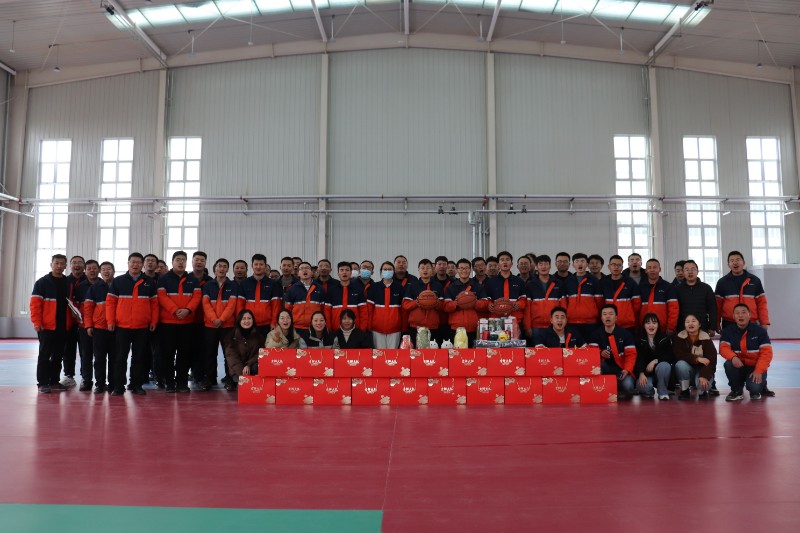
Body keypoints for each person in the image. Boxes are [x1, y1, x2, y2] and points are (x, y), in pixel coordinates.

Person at [714, 251, 774, 397]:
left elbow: (761, 303)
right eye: (732, 260)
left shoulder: (754, 280)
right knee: (732, 356)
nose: (735, 262)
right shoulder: (722, 282)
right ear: (728, 264)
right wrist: (716, 323)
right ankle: (736, 388)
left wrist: (764, 321)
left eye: (738, 260)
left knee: (758, 353)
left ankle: (762, 385)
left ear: (744, 262)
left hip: (752, 322)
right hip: (729, 323)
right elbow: (717, 305)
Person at [106, 253, 159, 396]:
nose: (135, 265)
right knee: (120, 357)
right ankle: (118, 386)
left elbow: (154, 304)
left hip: (142, 327)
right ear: (128, 263)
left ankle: (136, 385)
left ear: (142, 265)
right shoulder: (118, 281)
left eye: (138, 262)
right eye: (133, 262)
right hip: (122, 326)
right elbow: (110, 304)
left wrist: (153, 321)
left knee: (139, 357)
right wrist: (110, 321)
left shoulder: (149, 282)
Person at [157, 251, 202, 393]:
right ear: (172, 262)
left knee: (185, 354)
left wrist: (188, 310)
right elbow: (162, 297)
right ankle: (169, 383)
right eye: (178, 259)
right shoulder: (163, 279)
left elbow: (197, 297)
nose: (181, 262)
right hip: (168, 323)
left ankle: (182, 382)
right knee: (167, 354)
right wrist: (175, 310)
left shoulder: (193, 280)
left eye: (183, 260)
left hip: (187, 323)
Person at [30, 254, 72, 393]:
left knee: (58, 355)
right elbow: (35, 305)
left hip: (63, 325)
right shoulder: (42, 282)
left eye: (62, 263)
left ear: (65, 266)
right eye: (56, 263)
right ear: (51, 264)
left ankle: (54, 381)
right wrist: (37, 322)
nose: (59, 266)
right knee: (45, 355)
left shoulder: (68, 283)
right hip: (46, 326)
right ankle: (43, 383)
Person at [719, 304, 773, 401]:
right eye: (737, 313)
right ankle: (736, 391)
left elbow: (766, 354)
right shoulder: (728, 331)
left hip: (755, 367)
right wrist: (733, 357)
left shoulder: (760, 331)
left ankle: (759, 387)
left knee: (754, 388)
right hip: (739, 366)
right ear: (733, 316)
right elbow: (723, 348)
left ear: (749, 315)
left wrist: (758, 371)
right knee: (728, 364)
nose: (740, 315)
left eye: (743, 312)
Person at [200, 258, 239, 391]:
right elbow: (206, 304)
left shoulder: (233, 286)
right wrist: (214, 319)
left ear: (227, 270)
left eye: (224, 266)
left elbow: (231, 305)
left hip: (227, 326)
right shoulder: (208, 285)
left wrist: (221, 319)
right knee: (209, 353)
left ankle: (230, 379)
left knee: (229, 354)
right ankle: (209, 379)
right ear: (215, 269)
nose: (222, 269)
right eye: (219, 266)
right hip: (210, 326)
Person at [588, 304, 636, 400]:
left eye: (611, 314)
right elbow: (590, 354)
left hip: (621, 370)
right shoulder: (595, 334)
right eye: (605, 314)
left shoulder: (626, 334)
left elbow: (631, 355)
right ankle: (601, 390)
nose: (608, 316)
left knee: (628, 386)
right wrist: (600, 353)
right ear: (601, 318)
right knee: (598, 366)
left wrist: (627, 370)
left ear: (616, 317)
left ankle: (616, 389)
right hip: (605, 369)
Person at [84, 261, 115, 394]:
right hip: (99, 328)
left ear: (113, 271)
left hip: (116, 328)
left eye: (109, 269)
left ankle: (114, 384)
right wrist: (89, 325)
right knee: (99, 358)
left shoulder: (119, 285)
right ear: (100, 272)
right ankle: (100, 384)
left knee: (115, 358)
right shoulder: (94, 288)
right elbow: (88, 308)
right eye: (103, 269)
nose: (106, 271)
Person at [444, 258, 490, 347]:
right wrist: (456, 303)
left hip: (474, 328)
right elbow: (446, 307)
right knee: (457, 353)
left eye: (466, 268)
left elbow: (485, 305)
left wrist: (473, 302)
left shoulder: (478, 286)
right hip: (456, 328)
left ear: (470, 270)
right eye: (461, 268)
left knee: (474, 354)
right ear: (457, 270)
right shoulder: (451, 287)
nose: (464, 271)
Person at [673, 313, 717, 400]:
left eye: (693, 321)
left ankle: (702, 392)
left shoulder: (706, 338)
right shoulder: (680, 337)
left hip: (702, 370)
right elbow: (679, 355)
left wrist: (704, 375)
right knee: (680, 364)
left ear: (699, 324)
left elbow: (712, 360)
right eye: (687, 322)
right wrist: (697, 359)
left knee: (703, 386)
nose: (690, 324)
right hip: (687, 370)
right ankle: (684, 390)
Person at [403, 259, 445, 346]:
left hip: (433, 326)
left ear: (432, 270)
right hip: (415, 326)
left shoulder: (438, 286)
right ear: (418, 270)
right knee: (416, 352)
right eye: (422, 268)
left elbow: (443, 306)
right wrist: (417, 302)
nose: (425, 270)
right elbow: (405, 305)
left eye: (428, 268)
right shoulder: (412, 286)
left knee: (433, 352)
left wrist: (434, 303)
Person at [525, 255, 566, 343]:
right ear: (536, 267)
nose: (543, 266)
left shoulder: (558, 284)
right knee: (537, 350)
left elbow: (563, 306)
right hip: (536, 327)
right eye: (540, 264)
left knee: (554, 350)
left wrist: (563, 323)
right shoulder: (530, 285)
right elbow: (527, 308)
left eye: (546, 264)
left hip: (554, 326)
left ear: (550, 266)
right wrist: (527, 326)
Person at [239, 254, 283, 337]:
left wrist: (274, 322)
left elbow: (276, 306)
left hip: (267, 325)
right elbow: (240, 305)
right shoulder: (244, 283)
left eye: (261, 264)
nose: (258, 267)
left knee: (267, 345)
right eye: (256, 264)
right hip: (248, 324)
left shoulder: (273, 284)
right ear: (252, 266)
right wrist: (241, 321)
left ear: (265, 266)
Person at [634, 313, 675, 400]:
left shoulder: (665, 338)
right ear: (644, 326)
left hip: (660, 372)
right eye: (648, 323)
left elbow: (670, 356)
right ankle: (650, 392)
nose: (651, 325)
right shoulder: (638, 340)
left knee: (665, 365)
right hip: (646, 374)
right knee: (644, 386)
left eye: (654, 323)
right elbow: (638, 358)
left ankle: (663, 392)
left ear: (658, 325)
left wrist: (655, 361)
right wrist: (641, 373)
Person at [563, 253, 603, 339]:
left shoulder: (594, 281)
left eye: (582, 261)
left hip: (591, 322)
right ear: (573, 265)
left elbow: (599, 303)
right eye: (577, 261)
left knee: (591, 345)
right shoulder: (568, 282)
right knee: (574, 346)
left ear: (587, 264)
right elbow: (565, 303)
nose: (580, 264)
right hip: (572, 322)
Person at [284, 261, 328, 339]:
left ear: (311, 272)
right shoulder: (292, 289)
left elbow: (323, 309)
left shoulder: (320, 288)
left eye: (307, 268)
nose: (304, 270)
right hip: (297, 327)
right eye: (302, 269)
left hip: (315, 327)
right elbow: (288, 310)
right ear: (298, 273)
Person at [224, 309, 265, 391]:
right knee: (243, 387)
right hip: (237, 370)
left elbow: (261, 353)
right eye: (244, 319)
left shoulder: (259, 336)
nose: (247, 321)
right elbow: (232, 358)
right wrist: (243, 374)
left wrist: (248, 364)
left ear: (253, 320)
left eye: (249, 318)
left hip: (252, 367)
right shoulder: (232, 337)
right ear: (239, 321)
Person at [61, 255, 86, 389]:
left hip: (84, 322)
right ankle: (69, 376)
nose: (77, 265)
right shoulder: (64, 281)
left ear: (84, 266)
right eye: (74, 262)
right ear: (70, 266)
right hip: (68, 322)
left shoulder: (90, 281)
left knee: (85, 351)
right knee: (68, 350)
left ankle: (85, 377)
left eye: (80, 262)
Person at [367, 261, 404, 349]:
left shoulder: (400, 288)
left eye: (390, 269)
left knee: (393, 355)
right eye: (385, 269)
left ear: (393, 272)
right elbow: (369, 309)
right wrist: (369, 326)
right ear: (381, 271)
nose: (387, 271)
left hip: (395, 329)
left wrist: (403, 327)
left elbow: (403, 310)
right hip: (377, 329)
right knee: (379, 354)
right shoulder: (374, 287)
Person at [600, 255, 641, 335]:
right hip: (608, 324)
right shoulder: (603, 283)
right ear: (609, 267)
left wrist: (629, 317)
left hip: (627, 324)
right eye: (613, 265)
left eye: (619, 265)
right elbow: (600, 304)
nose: (616, 267)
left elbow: (637, 304)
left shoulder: (630, 283)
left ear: (622, 267)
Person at [675, 260, 717, 336]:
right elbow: (674, 310)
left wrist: (712, 326)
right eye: (687, 270)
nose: (690, 272)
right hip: (682, 327)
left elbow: (712, 308)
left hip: (702, 327)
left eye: (693, 269)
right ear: (683, 272)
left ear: (697, 271)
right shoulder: (677, 289)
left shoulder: (706, 288)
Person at [76, 259, 100, 391]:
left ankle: (100, 382)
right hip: (84, 326)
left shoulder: (104, 285)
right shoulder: (80, 287)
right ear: (85, 271)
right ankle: (86, 380)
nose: (92, 270)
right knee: (86, 354)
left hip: (101, 326)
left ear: (98, 270)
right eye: (89, 268)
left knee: (100, 355)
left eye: (94, 268)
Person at [189, 251, 212, 384]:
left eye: (202, 260)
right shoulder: (186, 279)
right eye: (196, 260)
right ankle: (190, 373)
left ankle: (201, 376)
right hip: (187, 321)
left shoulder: (210, 281)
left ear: (205, 263)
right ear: (192, 262)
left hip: (205, 322)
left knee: (203, 350)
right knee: (188, 349)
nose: (199, 262)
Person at [639, 258, 678, 334]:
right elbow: (636, 309)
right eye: (649, 268)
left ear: (659, 269)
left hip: (663, 329)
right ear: (646, 270)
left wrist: (671, 327)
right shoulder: (640, 288)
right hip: (644, 329)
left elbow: (673, 309)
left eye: (655, 267)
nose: (652, 270)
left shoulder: (668, 287)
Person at [486, 251, 527, 323]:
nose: (505, 262)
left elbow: (523, 299)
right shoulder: (490, 282)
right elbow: (487, 299)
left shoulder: (519, 281)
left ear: (511, 264)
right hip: (496, 319)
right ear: (498, 264)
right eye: (502, 260)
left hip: (515, 319)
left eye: (507, 260)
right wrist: (489, 305)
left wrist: (519, 304)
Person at [328, 261, 369, 331]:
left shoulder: (358, 290)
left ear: (350, 273)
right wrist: (329, 330)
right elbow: (327, 312)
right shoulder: (332, 290)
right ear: (338, 273)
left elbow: (363, 312)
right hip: (336, 329)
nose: (344, 272)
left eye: (347, 270)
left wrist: (362, 330)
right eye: (341, 270)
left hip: (355, 330)